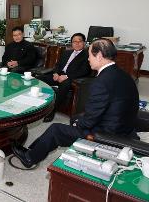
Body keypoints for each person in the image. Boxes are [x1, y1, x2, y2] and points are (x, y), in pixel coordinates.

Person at [11, 39, 139, 168]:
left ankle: (30, 158)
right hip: (123, 126)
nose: (88, 59)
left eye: (89, 55)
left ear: (99, 56)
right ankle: (32, 150)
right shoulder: (123, 74)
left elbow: (90, 120)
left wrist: (79, 123)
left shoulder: (101, 82)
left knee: (56, 129)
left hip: (108, 134)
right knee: (74, 119)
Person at [38, 33, 91, 122]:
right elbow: (58, 65)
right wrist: (55, 73)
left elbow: (85, 71)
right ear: (71, 43)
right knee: (40, 78)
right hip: (59, 75)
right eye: (74, 41)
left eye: (80, 41)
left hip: (72, 77)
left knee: (65, 85)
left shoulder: (87, 55)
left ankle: (52, 110)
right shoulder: (67, 52)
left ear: (84, 43)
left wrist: (66, 76)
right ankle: (41, 104)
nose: (77, 43)